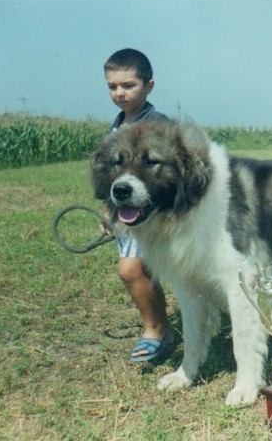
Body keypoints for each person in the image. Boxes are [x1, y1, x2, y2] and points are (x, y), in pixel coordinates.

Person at [103, 48, 172, 361]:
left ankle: (153, 331)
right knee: (143, 273)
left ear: (149, 86)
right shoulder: (117, 126)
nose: (119, 93)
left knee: (130, 271)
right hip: (127, 214)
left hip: (150, 216)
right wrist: (109, 211)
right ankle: (161, 328)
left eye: (128, 85)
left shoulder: (158, 126)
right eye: (112, 86)